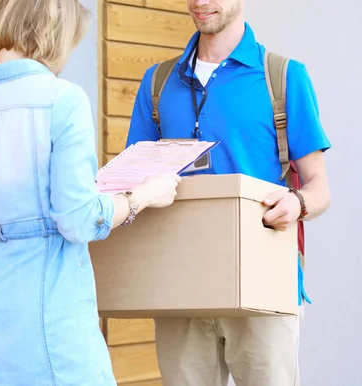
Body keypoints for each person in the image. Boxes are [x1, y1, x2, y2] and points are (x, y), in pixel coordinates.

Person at [0, 0, 181, 384]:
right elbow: (79, 219)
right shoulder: (62, 100)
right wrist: (142, 196)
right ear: (52, 32)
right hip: (49, 319)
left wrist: (1, 223)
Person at [125, 0, 332, 385]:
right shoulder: (157, 83)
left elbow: (320, 188)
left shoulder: (283, 76)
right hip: (178, 283)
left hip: (264, 281)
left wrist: (297, 202)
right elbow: (133, 180)